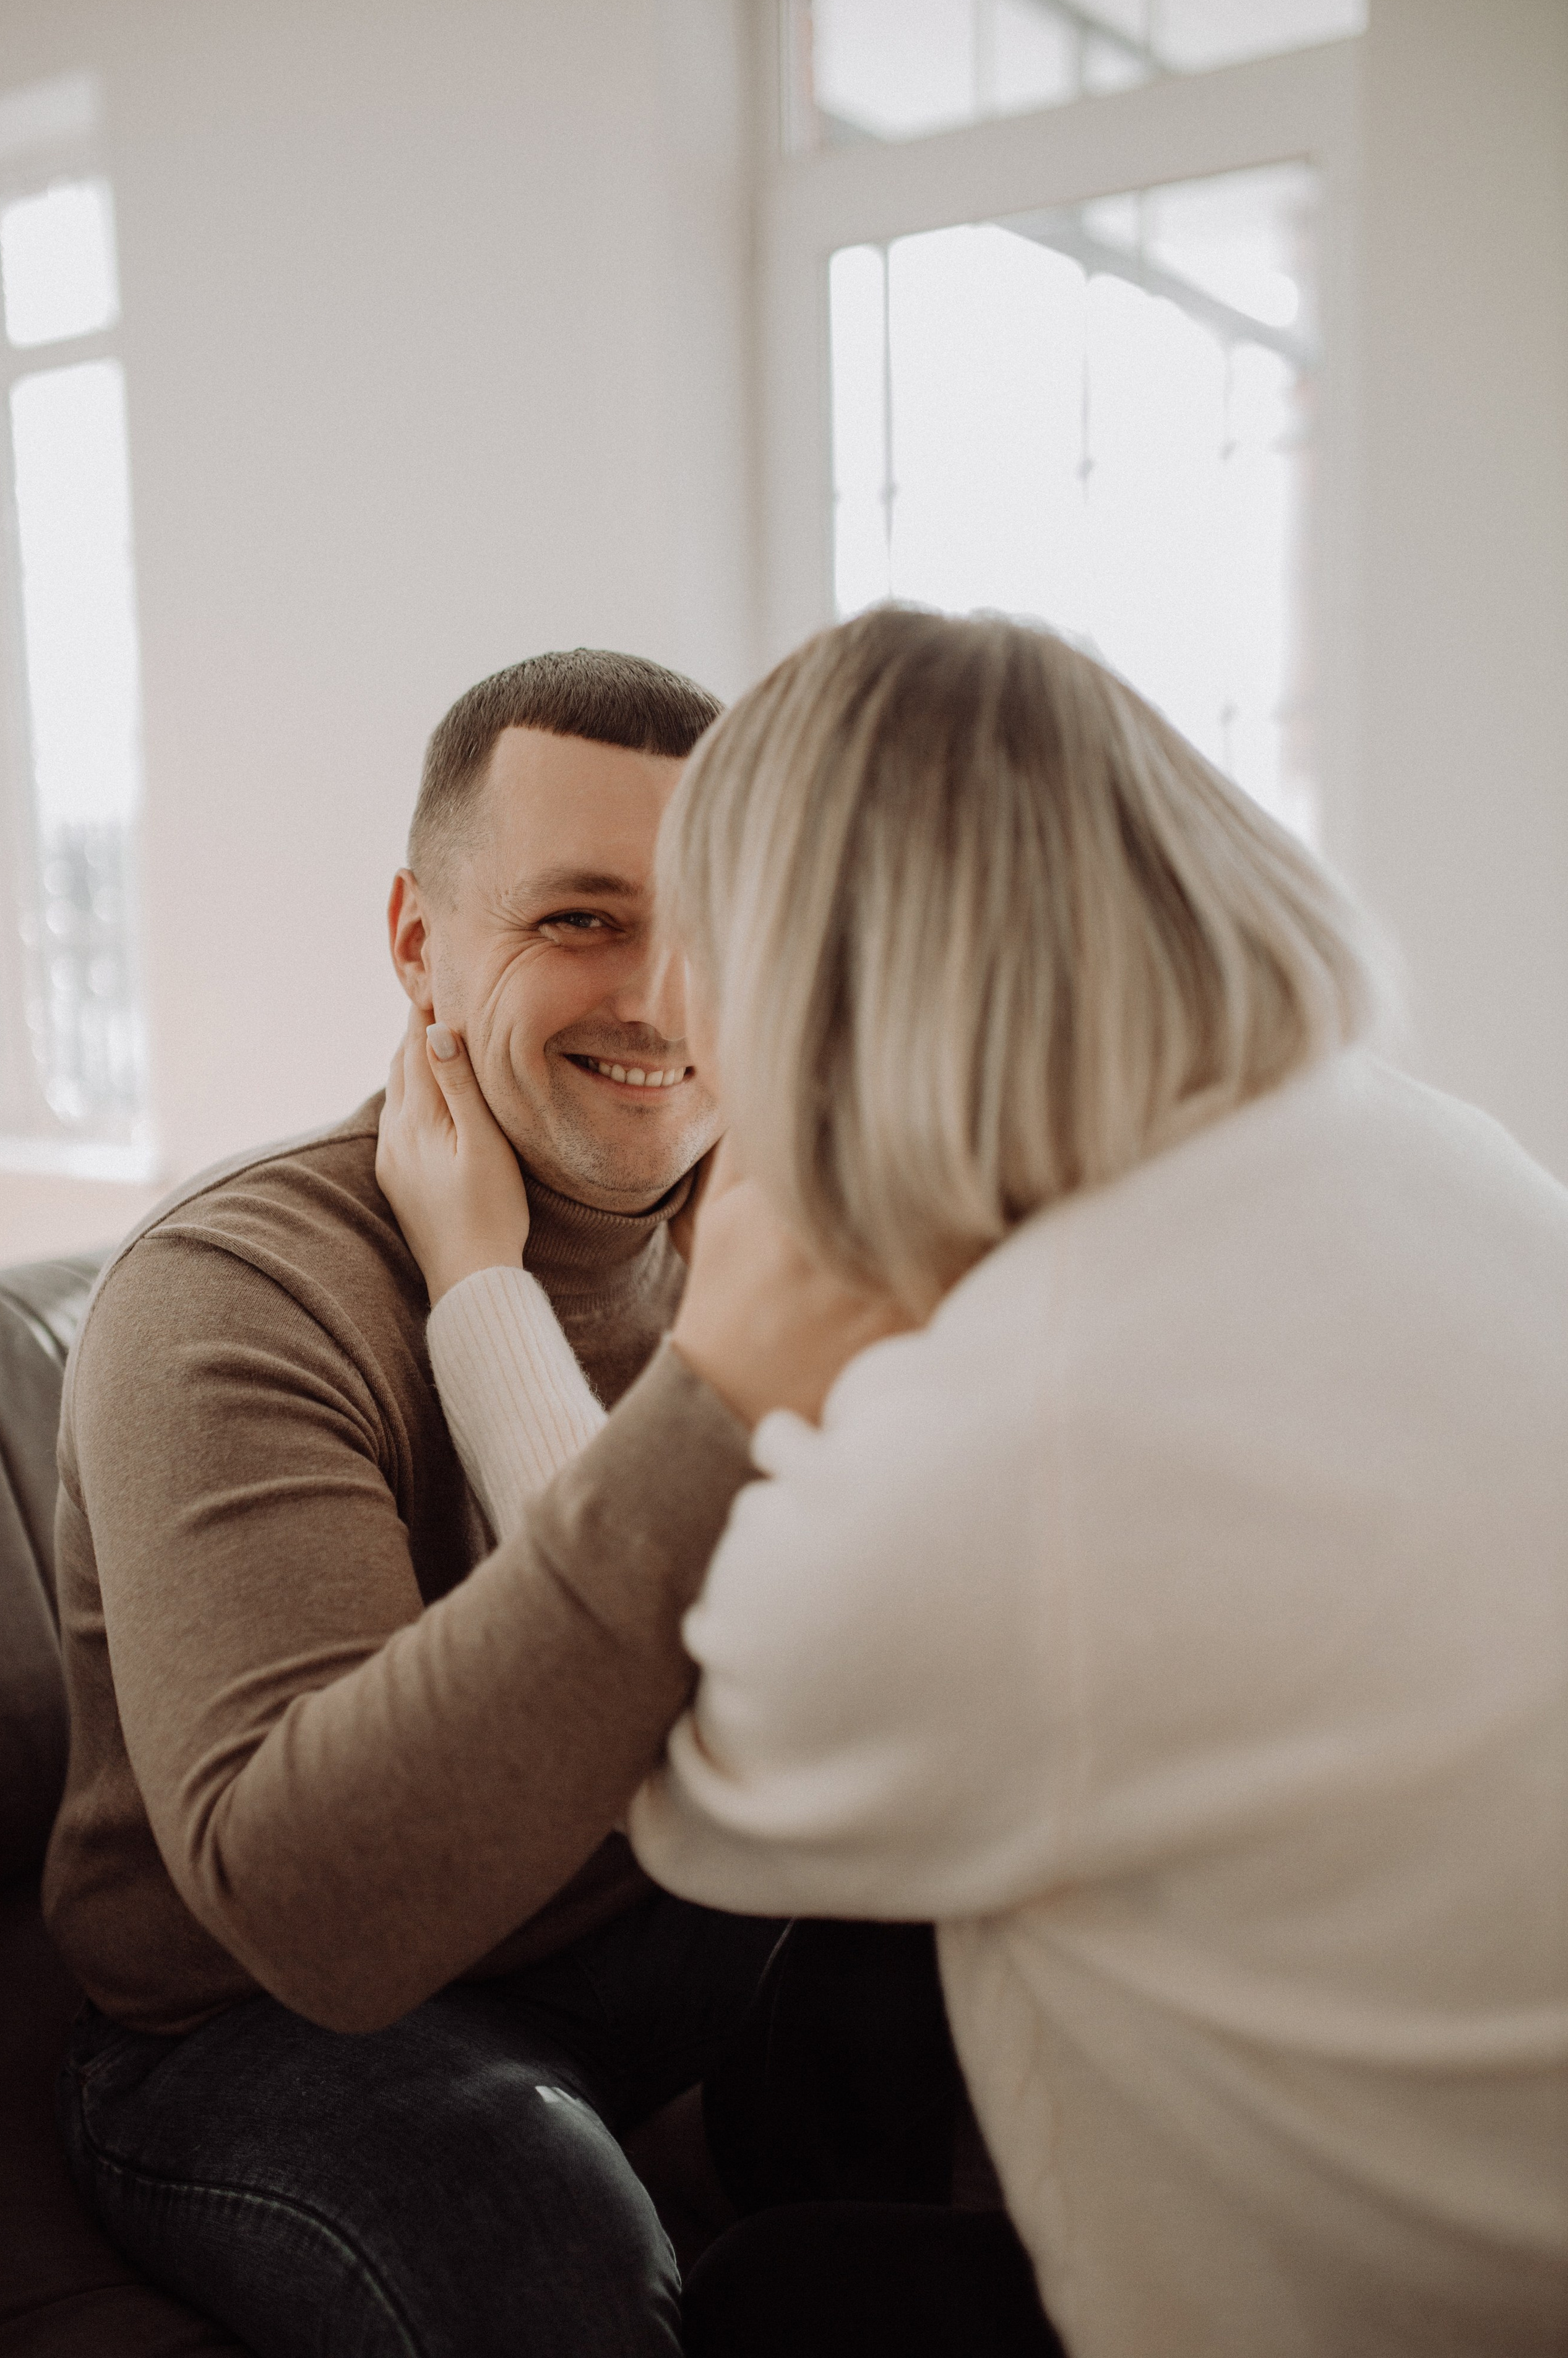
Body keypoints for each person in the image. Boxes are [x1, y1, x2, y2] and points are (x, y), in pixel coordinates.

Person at [381, 608, 1568, 2357]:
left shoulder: (1041, 1427)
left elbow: (626, 1711)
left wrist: (482, 1290)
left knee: (765, 2312)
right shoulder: (1436, 1151)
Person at [45, 647, 786, 2358]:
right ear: (416, 942)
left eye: (715, 926)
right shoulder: (235, 1291)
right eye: (580, 919)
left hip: (653, 1922)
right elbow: (340, 1916)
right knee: (538, 2235)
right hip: (264, 2026)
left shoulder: (762, 1237)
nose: (663, 1000)